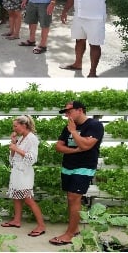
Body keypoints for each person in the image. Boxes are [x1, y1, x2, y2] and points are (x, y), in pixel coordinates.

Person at [49, 101, 104, 246]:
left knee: (74, 197)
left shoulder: (94, 125)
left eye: (69, 111)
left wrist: (74, 131)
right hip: (68, 166)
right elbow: (59, 147)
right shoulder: (67, 126)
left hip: (84, 167)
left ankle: (70, 234)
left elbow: (86, 145)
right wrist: (74, 150)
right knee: (71, 198)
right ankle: (75, 228)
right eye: (65, 112)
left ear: (80, 110)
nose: (67, 114)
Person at [0, 115, 46, 237]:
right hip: (17, 171)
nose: (14, 128)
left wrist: (16, 148)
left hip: (25, 172)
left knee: (28, 199)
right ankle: (16, 220)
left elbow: (32, 158)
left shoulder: (32, 139)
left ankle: (41, 225)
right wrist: (14, 143)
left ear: (24, 125)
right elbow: (13, 157)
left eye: (16, 126)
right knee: (16, 196)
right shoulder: (21, 138)